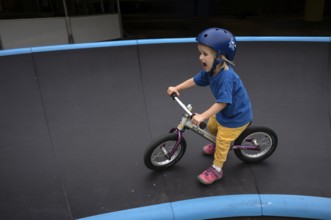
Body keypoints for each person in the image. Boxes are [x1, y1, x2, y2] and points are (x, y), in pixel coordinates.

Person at [167, 27, 253, 185]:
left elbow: (223, 102)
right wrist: (177, 88)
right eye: (200, 53)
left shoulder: (226, 77)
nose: (200, 57)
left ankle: (217, 169)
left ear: (220, 56)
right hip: (225, 113)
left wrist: (202, 116)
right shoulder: (211, 71)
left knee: (222, 141)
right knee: (212, 127)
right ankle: (218, 144)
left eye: (205, 54)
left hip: (236, 117)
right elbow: (194, 80)